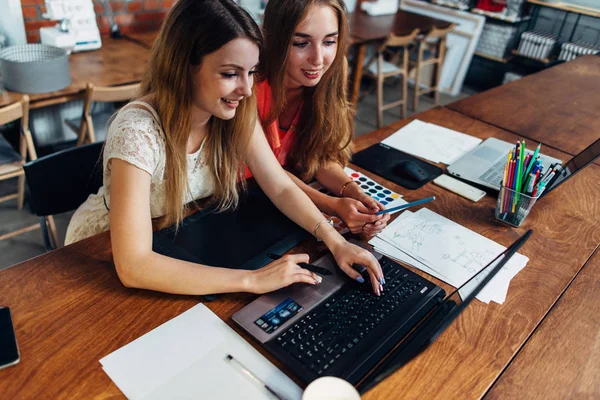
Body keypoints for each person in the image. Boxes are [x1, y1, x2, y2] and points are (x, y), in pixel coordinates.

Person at [65, 0, 385, 296]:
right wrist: (252, 279)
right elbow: (133, 265)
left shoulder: (234, 110)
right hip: (97, 255)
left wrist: (334, 240)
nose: (246, 90)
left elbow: (280, 186)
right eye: (230, 74)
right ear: (185, 67)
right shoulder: (137, 131)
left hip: (172, 234)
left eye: (251, 73)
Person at [256, 0, 390, 237]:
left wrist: (353, 192)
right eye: (301, 43)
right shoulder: (250, 83)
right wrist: (333, 206)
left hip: (291, 204)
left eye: (329, 42)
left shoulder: (331, 72)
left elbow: (321, 155)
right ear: (275, 39)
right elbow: (261, 172)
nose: (317, 59)